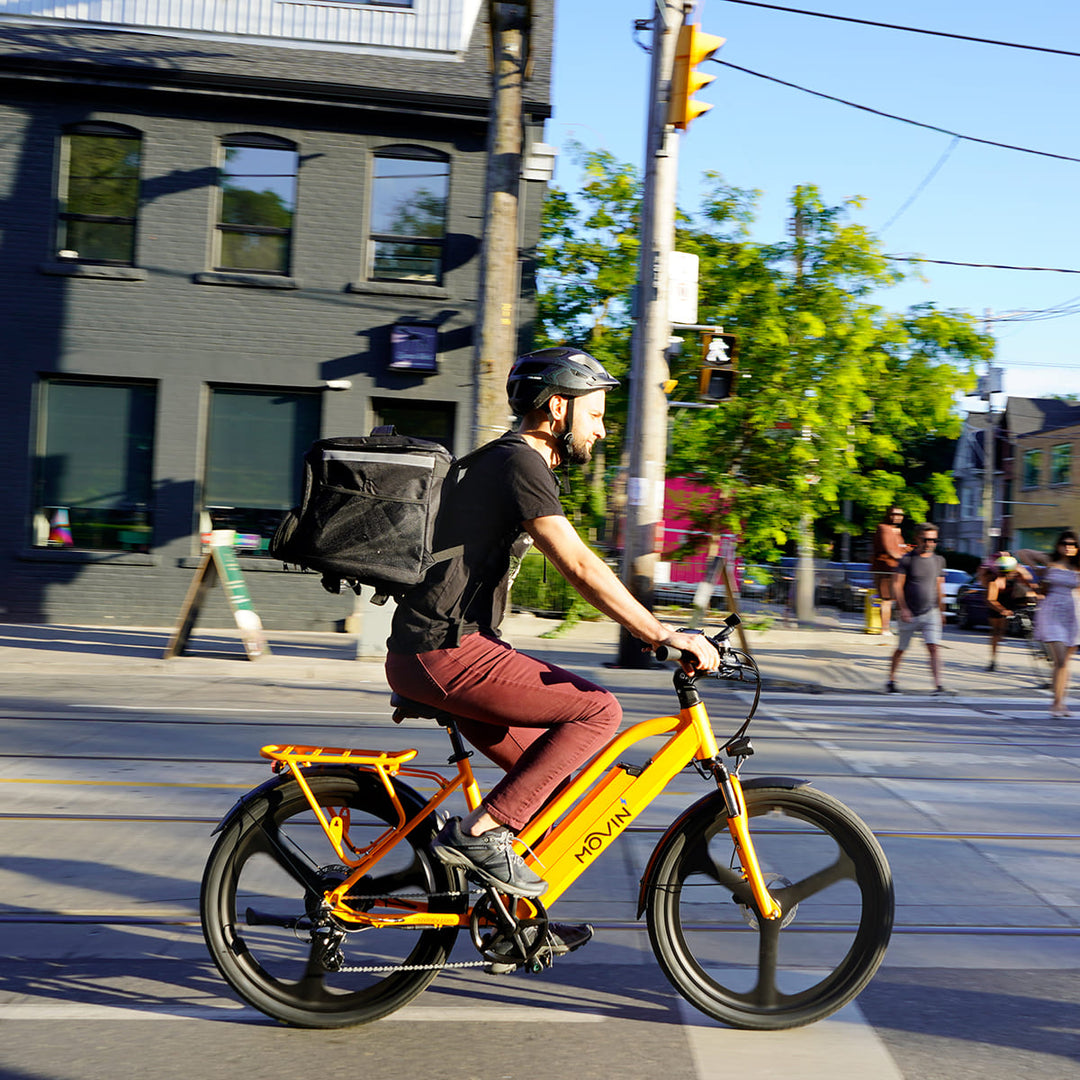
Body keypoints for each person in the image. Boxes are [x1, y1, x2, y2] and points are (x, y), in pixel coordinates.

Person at [384, 347, 720, 966]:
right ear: (557, 408)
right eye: (595, 413)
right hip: (445, 651)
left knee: (553, 793)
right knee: (598, 711)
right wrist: (660, 633)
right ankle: (480, 836)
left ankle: (513, 923)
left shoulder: (500, 461)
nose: (601, 427)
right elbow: (580, 565)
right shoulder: (519, 462)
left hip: (439, 649)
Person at [1021, 532, 1080, 718]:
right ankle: (1057, 703)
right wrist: (1035, 569)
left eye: (1072, 544)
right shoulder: (1049, 560)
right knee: (1060, 660)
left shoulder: (1078, 567)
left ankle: (1059, 702)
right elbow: (1022, 552)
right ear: (1058, 545)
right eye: (1064, 543)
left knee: (1063, 664)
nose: (1068, 547)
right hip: (1053, 612)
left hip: (1074, 613)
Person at [886, 522, 946, 694]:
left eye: (934, 540)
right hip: (910, 612)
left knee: (934, 647)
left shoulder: (938, 560)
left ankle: (938, 685)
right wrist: (903, 608)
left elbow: (939, 586)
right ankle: (891, 679)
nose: (930, 544)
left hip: (931, 611)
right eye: (926, 540)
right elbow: (897, 585)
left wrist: (941, 611)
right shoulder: (907, 560)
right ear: (917, 538)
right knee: (901, 648)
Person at [984, 553, 1036, 672]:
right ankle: (993, 660)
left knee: (1002, 630)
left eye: (1009, 572)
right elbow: (990, 600)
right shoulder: (994, 580)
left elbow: (1030, 584)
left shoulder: (1018, 574)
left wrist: (1035, 595)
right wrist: (1003, 610)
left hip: (1011, 598)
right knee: (996, 631)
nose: (1007, 575)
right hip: (997, 602)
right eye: (1003, 572)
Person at [871, 507, 909, 637]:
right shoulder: (883, 528)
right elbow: (889, 550)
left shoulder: (896, 531)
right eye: (894, 514)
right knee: (886, 599)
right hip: (885, 569)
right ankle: (885, 629)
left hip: (895, 569)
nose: (897, 517)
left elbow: (897, 549)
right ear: (888, 515)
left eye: (900, 515)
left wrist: (905, 550)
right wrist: (905, 559)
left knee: (897, 599)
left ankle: (897, 627)